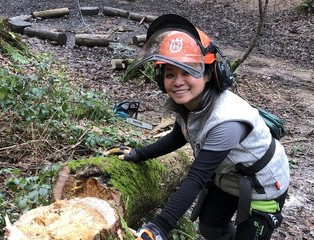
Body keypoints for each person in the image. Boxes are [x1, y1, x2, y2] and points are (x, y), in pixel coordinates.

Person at [122, 14, 290, 240]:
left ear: (210, 73)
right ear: (161, 79)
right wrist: (137, 154)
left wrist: (160, 227)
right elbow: (177, 138)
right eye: (170, 74)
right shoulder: (191, 106)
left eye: (188, 71)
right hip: (230, 178)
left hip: (264, 187)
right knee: (210, 228)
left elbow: (197, 177)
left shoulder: (226, 121)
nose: (178, 81)